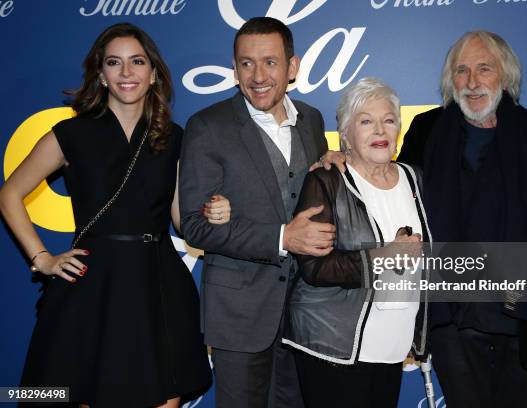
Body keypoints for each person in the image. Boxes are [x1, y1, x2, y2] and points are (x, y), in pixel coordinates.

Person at [0, 23, 224, 407]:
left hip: (158, 283)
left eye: (137, 62)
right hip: (93, 284)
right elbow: (9, 193)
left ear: (153, 74)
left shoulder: (173, 137)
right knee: (77, 392)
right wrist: (42, 259)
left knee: (165, 397)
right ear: (100, 75)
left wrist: (212, 214)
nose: (126, 73)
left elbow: (181, 222)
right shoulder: (70, 133)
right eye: (114, 63)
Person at [394, 31, 527, 407]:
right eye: (462, 71)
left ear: (506, 75)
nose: (472, 82)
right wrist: (341, 159)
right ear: (451, 81)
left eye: (484, 69)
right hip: (450, 322)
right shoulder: (427, 131)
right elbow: (390, 193)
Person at [179, 17, 333, 408]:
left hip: (307, 314)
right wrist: (282, 238)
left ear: (292, 68)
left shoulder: (312, 121)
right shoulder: (207, 126)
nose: (258, 75)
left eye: (269, 62)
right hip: (240, 314)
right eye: (246, 63)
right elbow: (194, 225)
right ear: (234, 69)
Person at [282, 77, 431, 408]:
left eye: (388, 120)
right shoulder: (325, 180)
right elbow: (315, 267)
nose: (380, 130)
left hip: (392, 345)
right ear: (346, 134)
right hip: (333, 346)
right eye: (366, 121)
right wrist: (383, 257)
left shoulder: (414, 177)